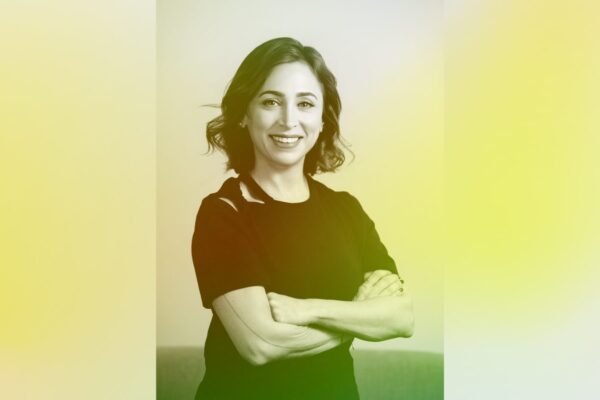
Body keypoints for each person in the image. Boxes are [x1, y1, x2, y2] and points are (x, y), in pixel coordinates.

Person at [191, 37, 414, 400]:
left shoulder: (346, 210)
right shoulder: (223, 212)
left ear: (322, 119)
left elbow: (402, 318)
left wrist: (306, 310)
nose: (289, 120)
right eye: (270, 102)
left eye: (305, 104)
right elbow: (260, 344)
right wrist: (359, 317)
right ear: (244, 115)